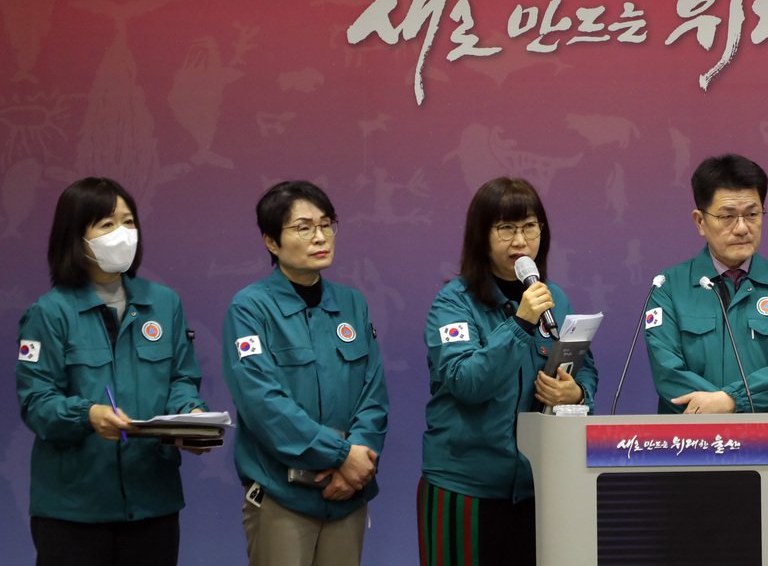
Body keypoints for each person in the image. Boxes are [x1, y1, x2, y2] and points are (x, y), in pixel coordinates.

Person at [15, 177, 207, 566]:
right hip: (73, 510)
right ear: (76, 237)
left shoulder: (164, 303)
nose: (123, 233)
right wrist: (87, 415)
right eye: (107, 224)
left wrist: (190, 415)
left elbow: (181, 379)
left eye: (129, 222)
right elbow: (36, 402)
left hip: (153, 502)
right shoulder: (49, 312)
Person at [418, 177, 597, 566]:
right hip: (466, 488)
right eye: (506, 229)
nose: (520, 241)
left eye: (529, 227)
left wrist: (577, 393)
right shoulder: (453, 304)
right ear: (481, 236)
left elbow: (583, 367)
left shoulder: (555, 298)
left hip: (538, 488)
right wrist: (519, 324)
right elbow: (466, 382)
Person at [222, 180, 388, 566]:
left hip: (348, 494)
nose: (320, 236)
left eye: (326, 224)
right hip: (283, 496)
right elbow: (263, 404)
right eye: (303, 227)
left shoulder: (353, 303)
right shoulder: (250, 308)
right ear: (271, 241)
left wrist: (356, 464)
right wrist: (342, 455)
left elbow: (373, 394)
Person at [644, 154, 768, 415]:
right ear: (700, 222)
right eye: (727, 216)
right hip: (692, 435)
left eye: (752, 214)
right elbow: (668, 373)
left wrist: (732, 401)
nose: (742, 228)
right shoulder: (667, 288)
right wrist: (721, 406)